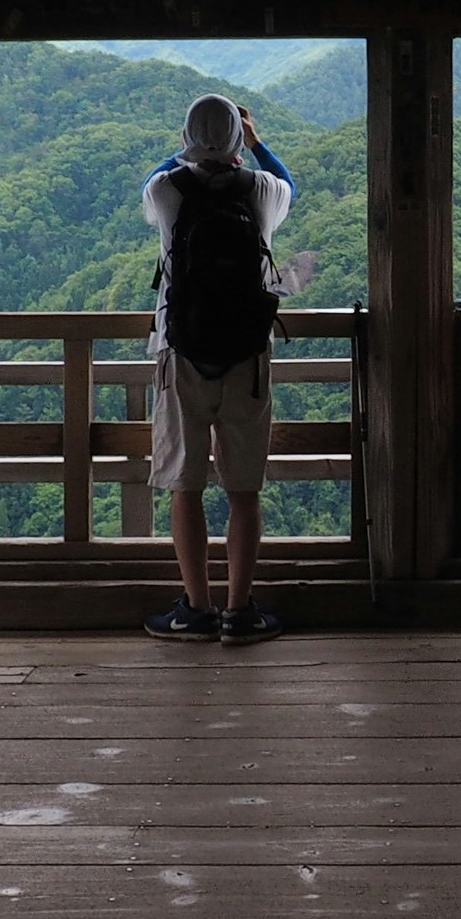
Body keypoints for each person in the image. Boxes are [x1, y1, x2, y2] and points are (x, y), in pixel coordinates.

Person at [139, 93, 293, 647]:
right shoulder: (262, 191)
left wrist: (187, 147)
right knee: (243, 489)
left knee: (186, 485)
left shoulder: (166, 191)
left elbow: (154, 176)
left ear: (186, 136)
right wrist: (253, 144)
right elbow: (287, 178)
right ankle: (240, 611)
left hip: (180, 354)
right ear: (237, 137)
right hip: (246, 357)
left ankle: (196, 610)